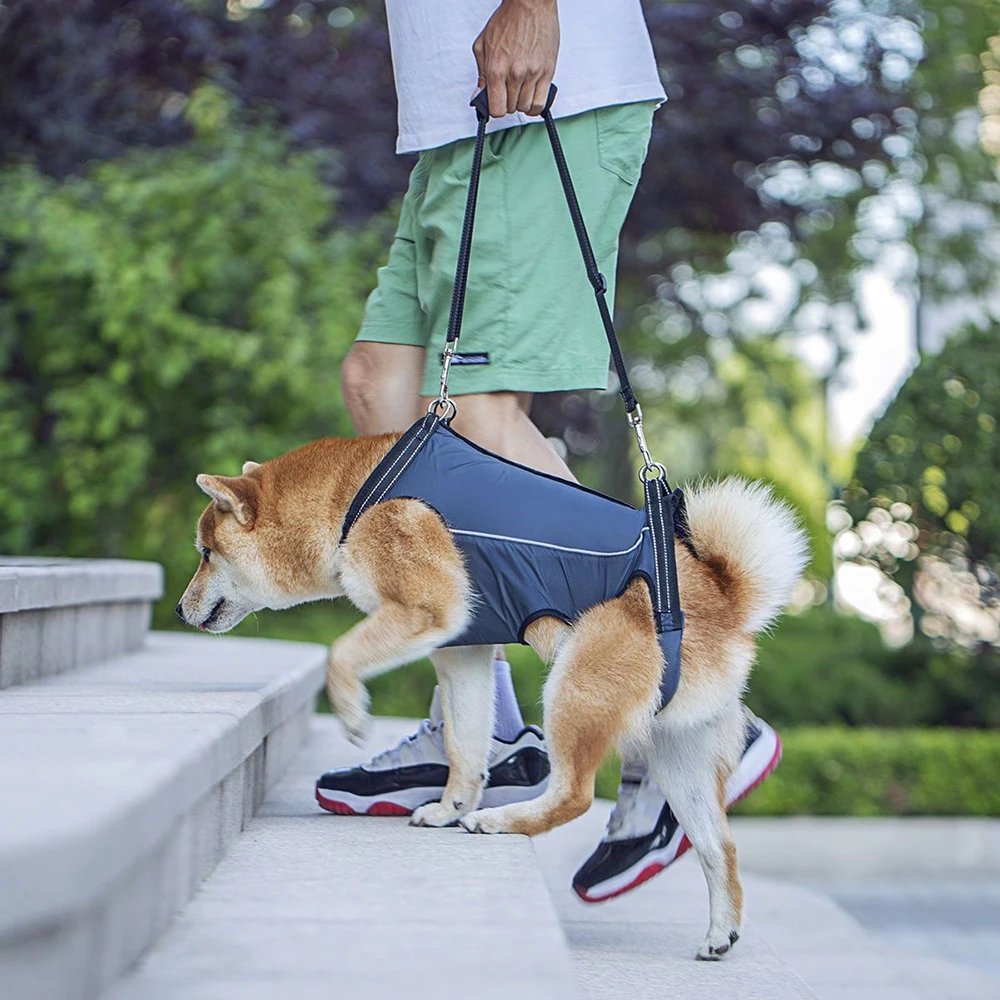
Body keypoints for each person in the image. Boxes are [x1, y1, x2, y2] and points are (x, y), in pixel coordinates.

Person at [316, 0, 781, 903]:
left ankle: (696, 707)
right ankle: (487, 730)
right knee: (384, 388)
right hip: (462, 112)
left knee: (480, 424)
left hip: (542, 90)